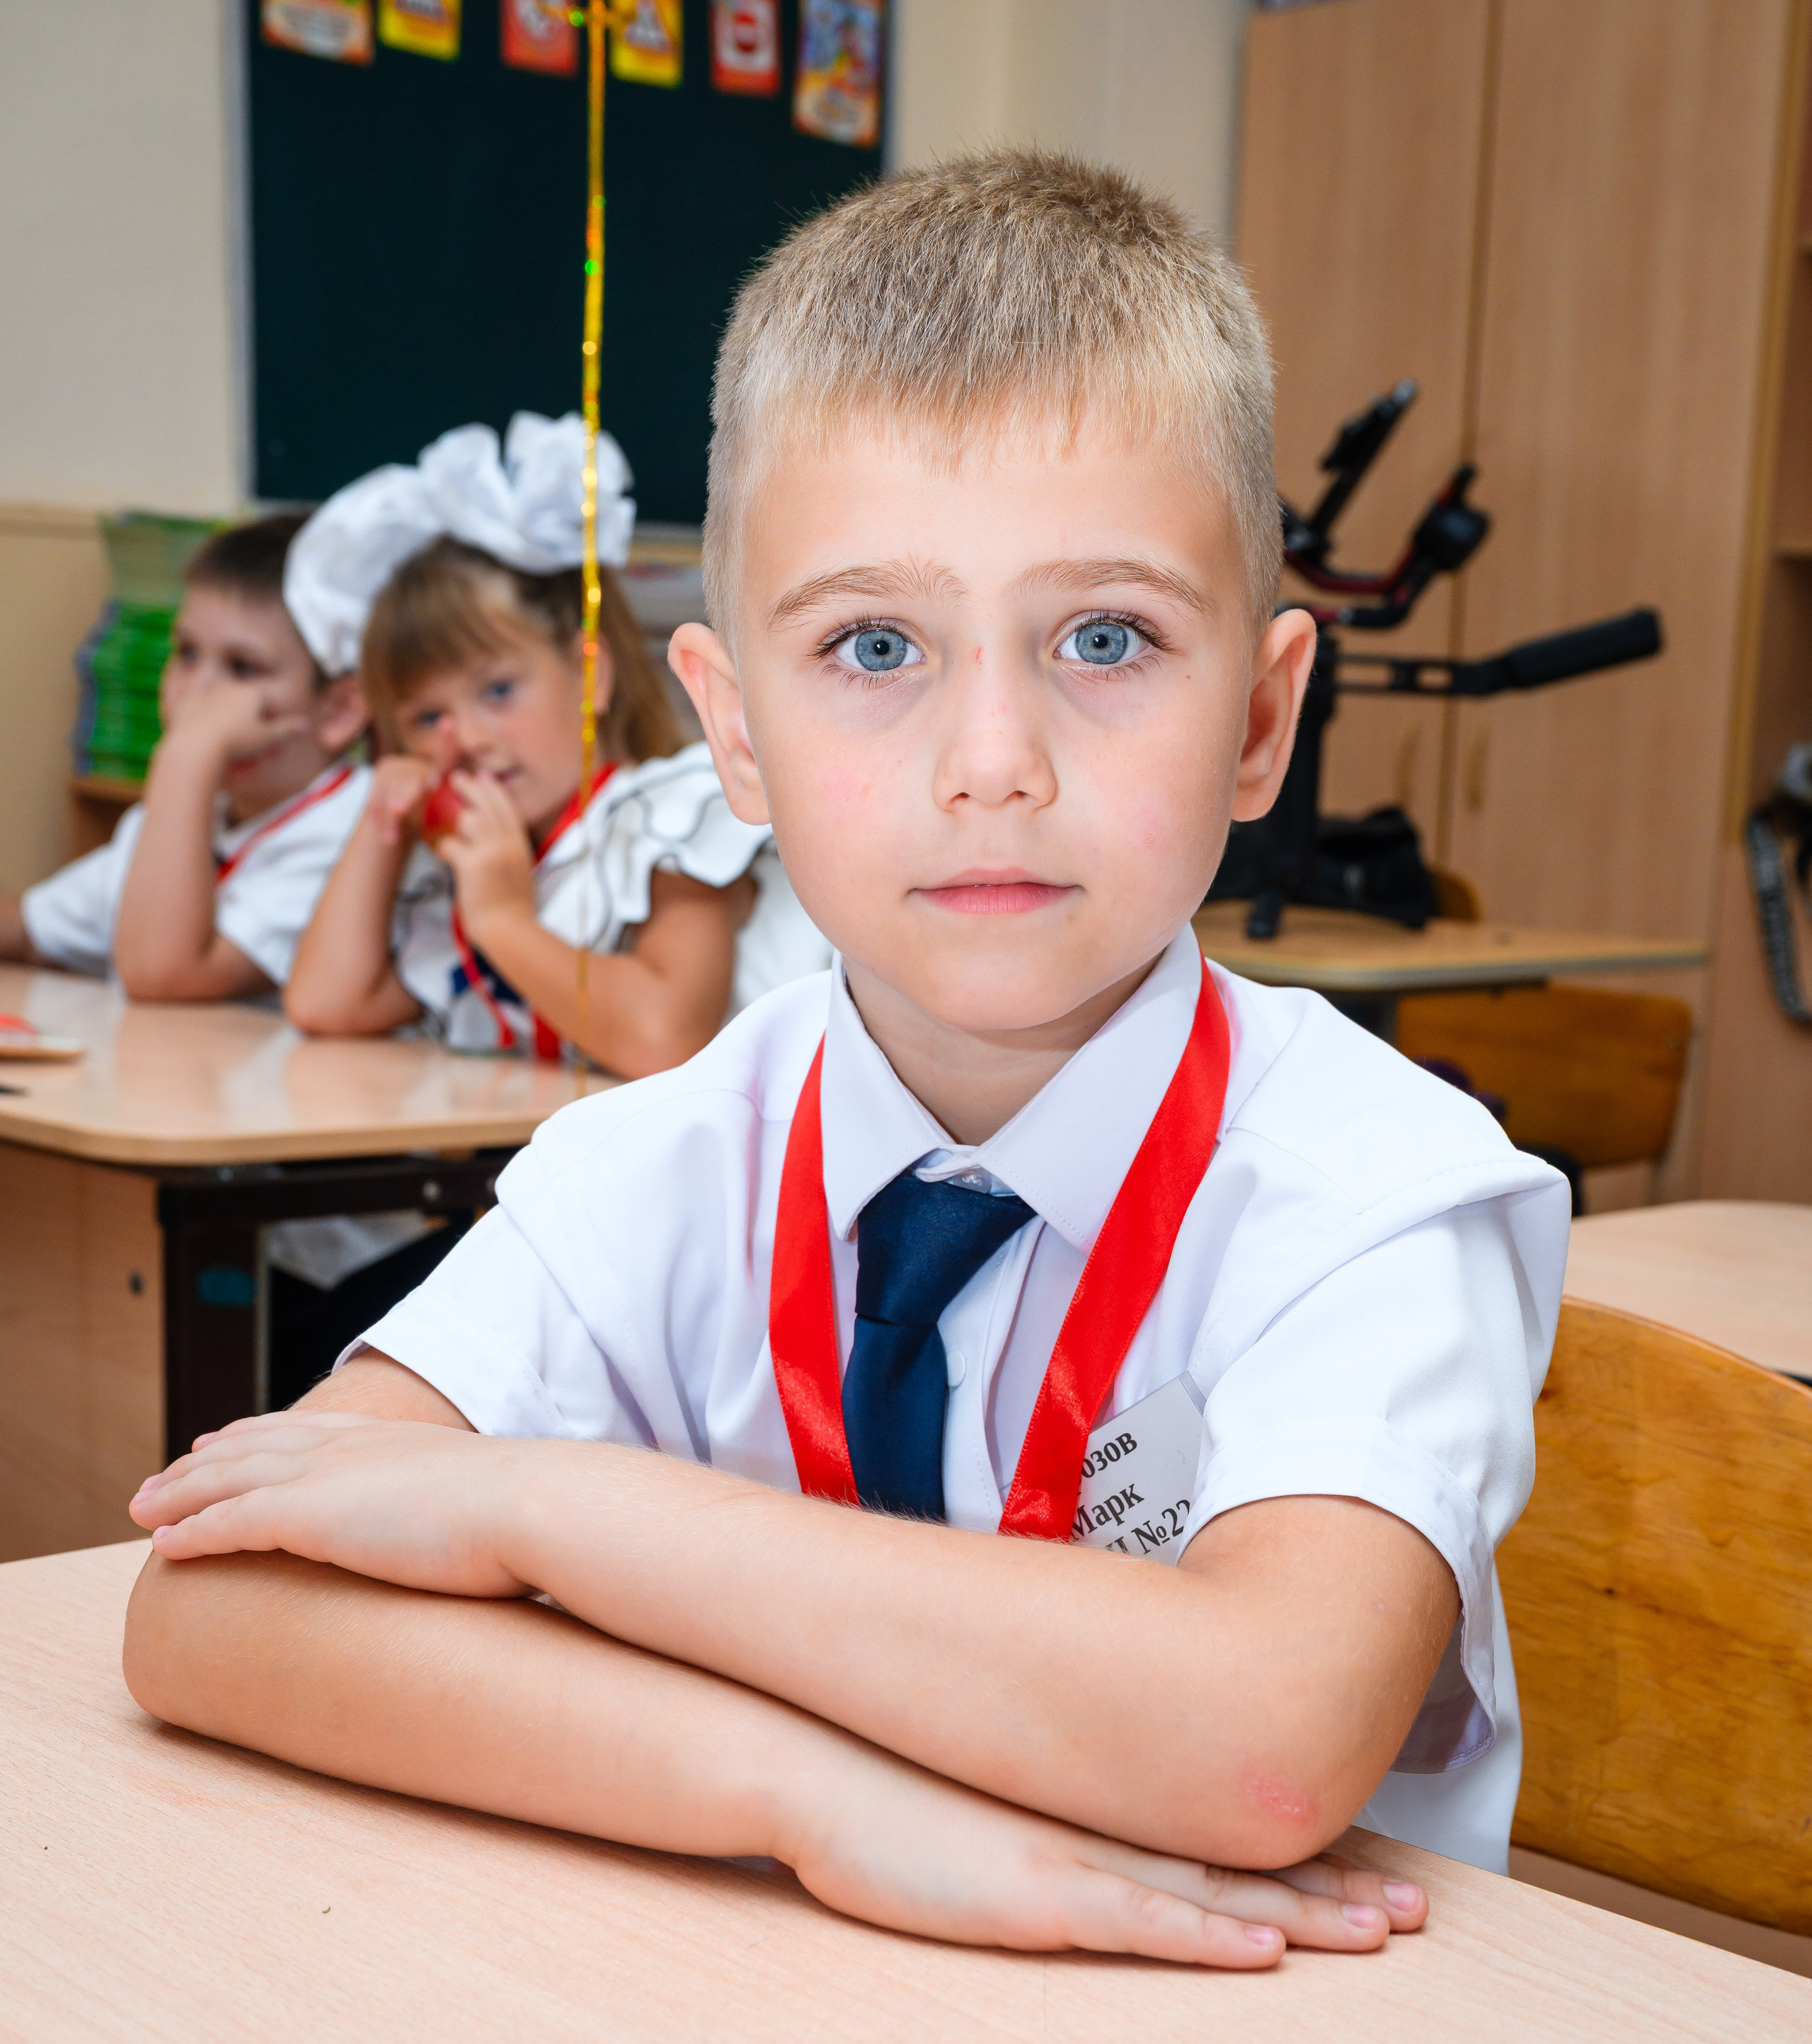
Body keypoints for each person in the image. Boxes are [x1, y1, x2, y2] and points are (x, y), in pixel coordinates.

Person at [123, 151, 1570, 1970]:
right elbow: (213, 1607)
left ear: (1263, 717)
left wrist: (543, 1502)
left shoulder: (1370, 1185)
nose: (991, 758)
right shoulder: (652, 1162)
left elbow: (1260, 1745)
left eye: (1104, 638)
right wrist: (816, 1802)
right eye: (873, 644)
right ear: (730, 733)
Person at [281, 411, 830, 1076]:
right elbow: (324, 1004)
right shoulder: (481, 875)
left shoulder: (666, 818)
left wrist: (506, 922)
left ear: (590, 675)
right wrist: (381, 828)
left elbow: (666, 1038)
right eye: (427, 719)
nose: (470, 740)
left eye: (499, 691)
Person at [0, 515, 369, 998]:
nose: (196, 694)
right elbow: (30, 932)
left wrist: (188, 753)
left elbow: (164, 974)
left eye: (242, 667)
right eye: (187, 653)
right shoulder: (195, 812)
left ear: (339, 710)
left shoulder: (350, 830)